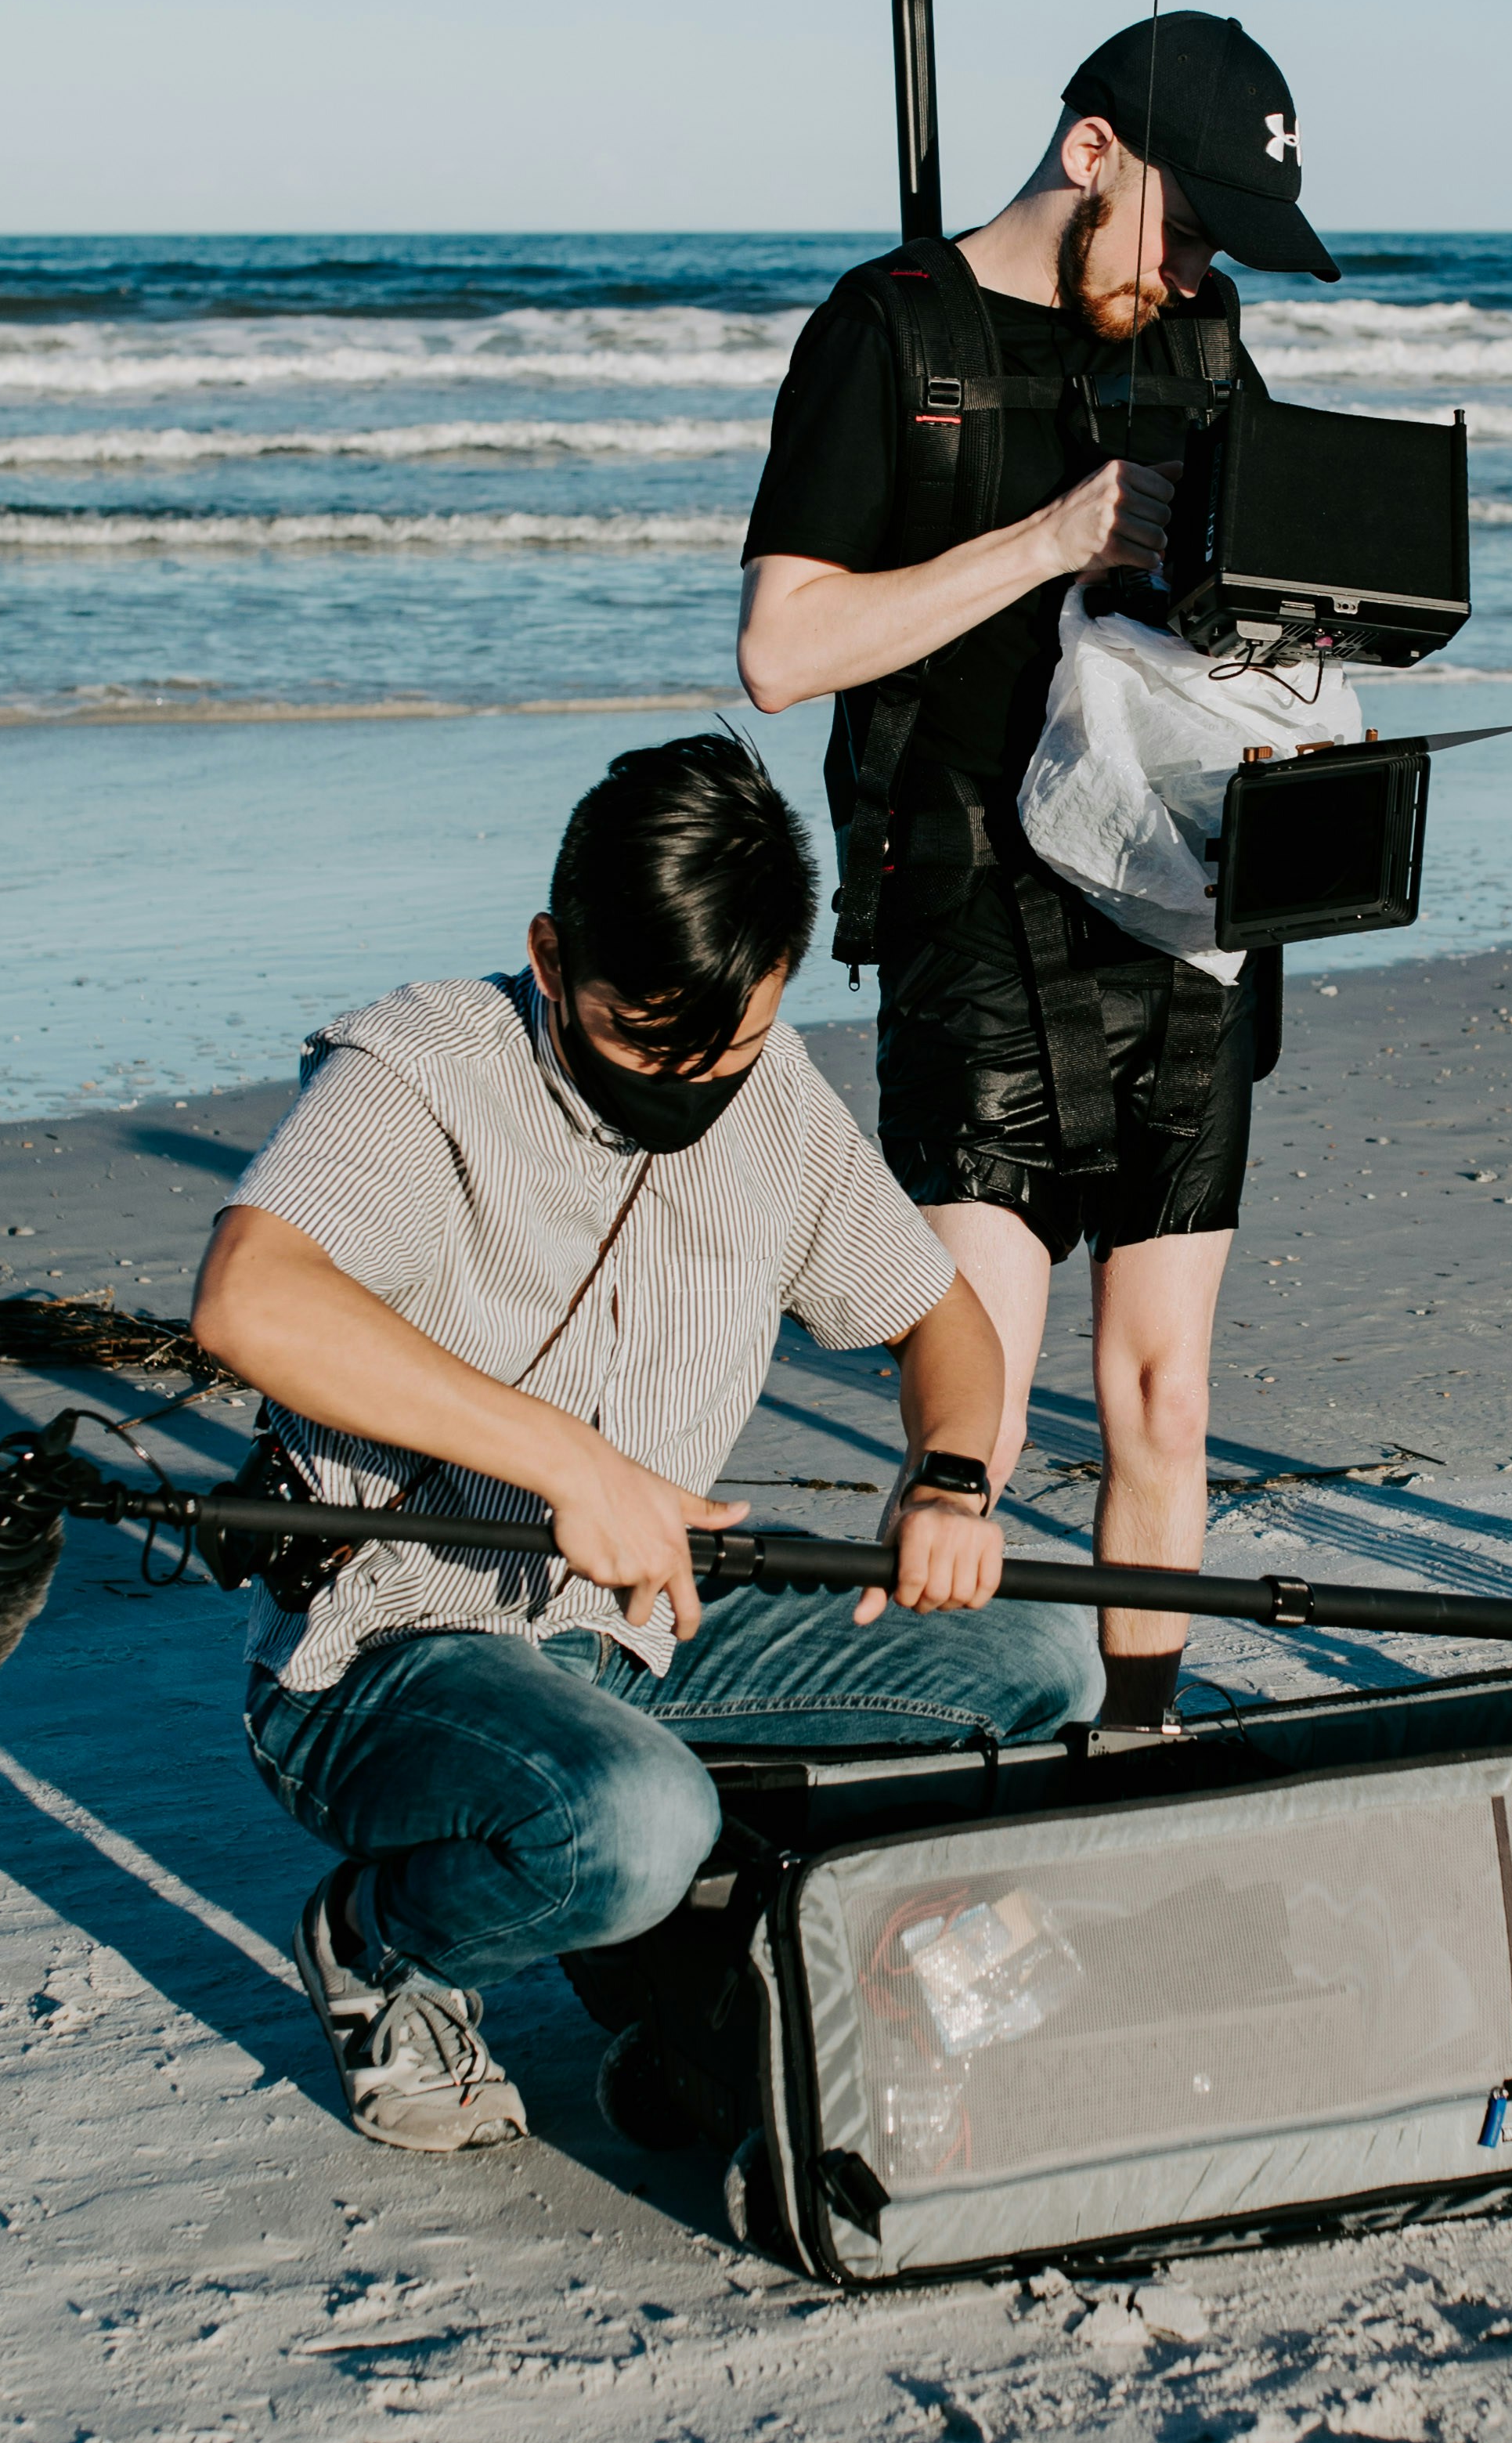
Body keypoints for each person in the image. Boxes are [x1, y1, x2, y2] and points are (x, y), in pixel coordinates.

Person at [187, 732, 1099, 2155]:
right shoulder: (423, 1068)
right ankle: (383, 1948)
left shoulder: (776, 1098)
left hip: (652, 1624)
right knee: (630, 1824)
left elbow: (946, 1324)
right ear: (550, 958)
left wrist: (952, 1480)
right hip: (385, 1653)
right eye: (639, 1040)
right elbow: (249, 1298)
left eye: (723, 1054)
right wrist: (571, 1461)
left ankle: (739, 1965)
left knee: (1046, 1666)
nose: (686, 1088)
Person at [737, 11, 1340, 1728]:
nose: (1205, 265)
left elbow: (1253, 626)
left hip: (1185, 922)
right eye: (1191, 221)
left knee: (1163, 1398)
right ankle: (932, 1763)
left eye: (1229, 244)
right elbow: (784, 648)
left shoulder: (1206, 338)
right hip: (972, 920)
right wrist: (1058, 537)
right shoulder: (887, 332)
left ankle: (1133, 1760)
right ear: (1092, 154)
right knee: (972, 1423)